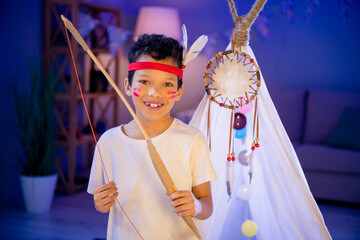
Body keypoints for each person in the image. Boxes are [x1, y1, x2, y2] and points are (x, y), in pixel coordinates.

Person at [87, 34, 216, 239]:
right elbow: (99, 200)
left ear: (179, 91)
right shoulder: (108, 142)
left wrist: (196, 206)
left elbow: (207, 205)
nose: (155, 93)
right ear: (128, 86)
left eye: (167, 84)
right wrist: (100, 204)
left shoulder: (192, 140)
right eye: (145, 81)